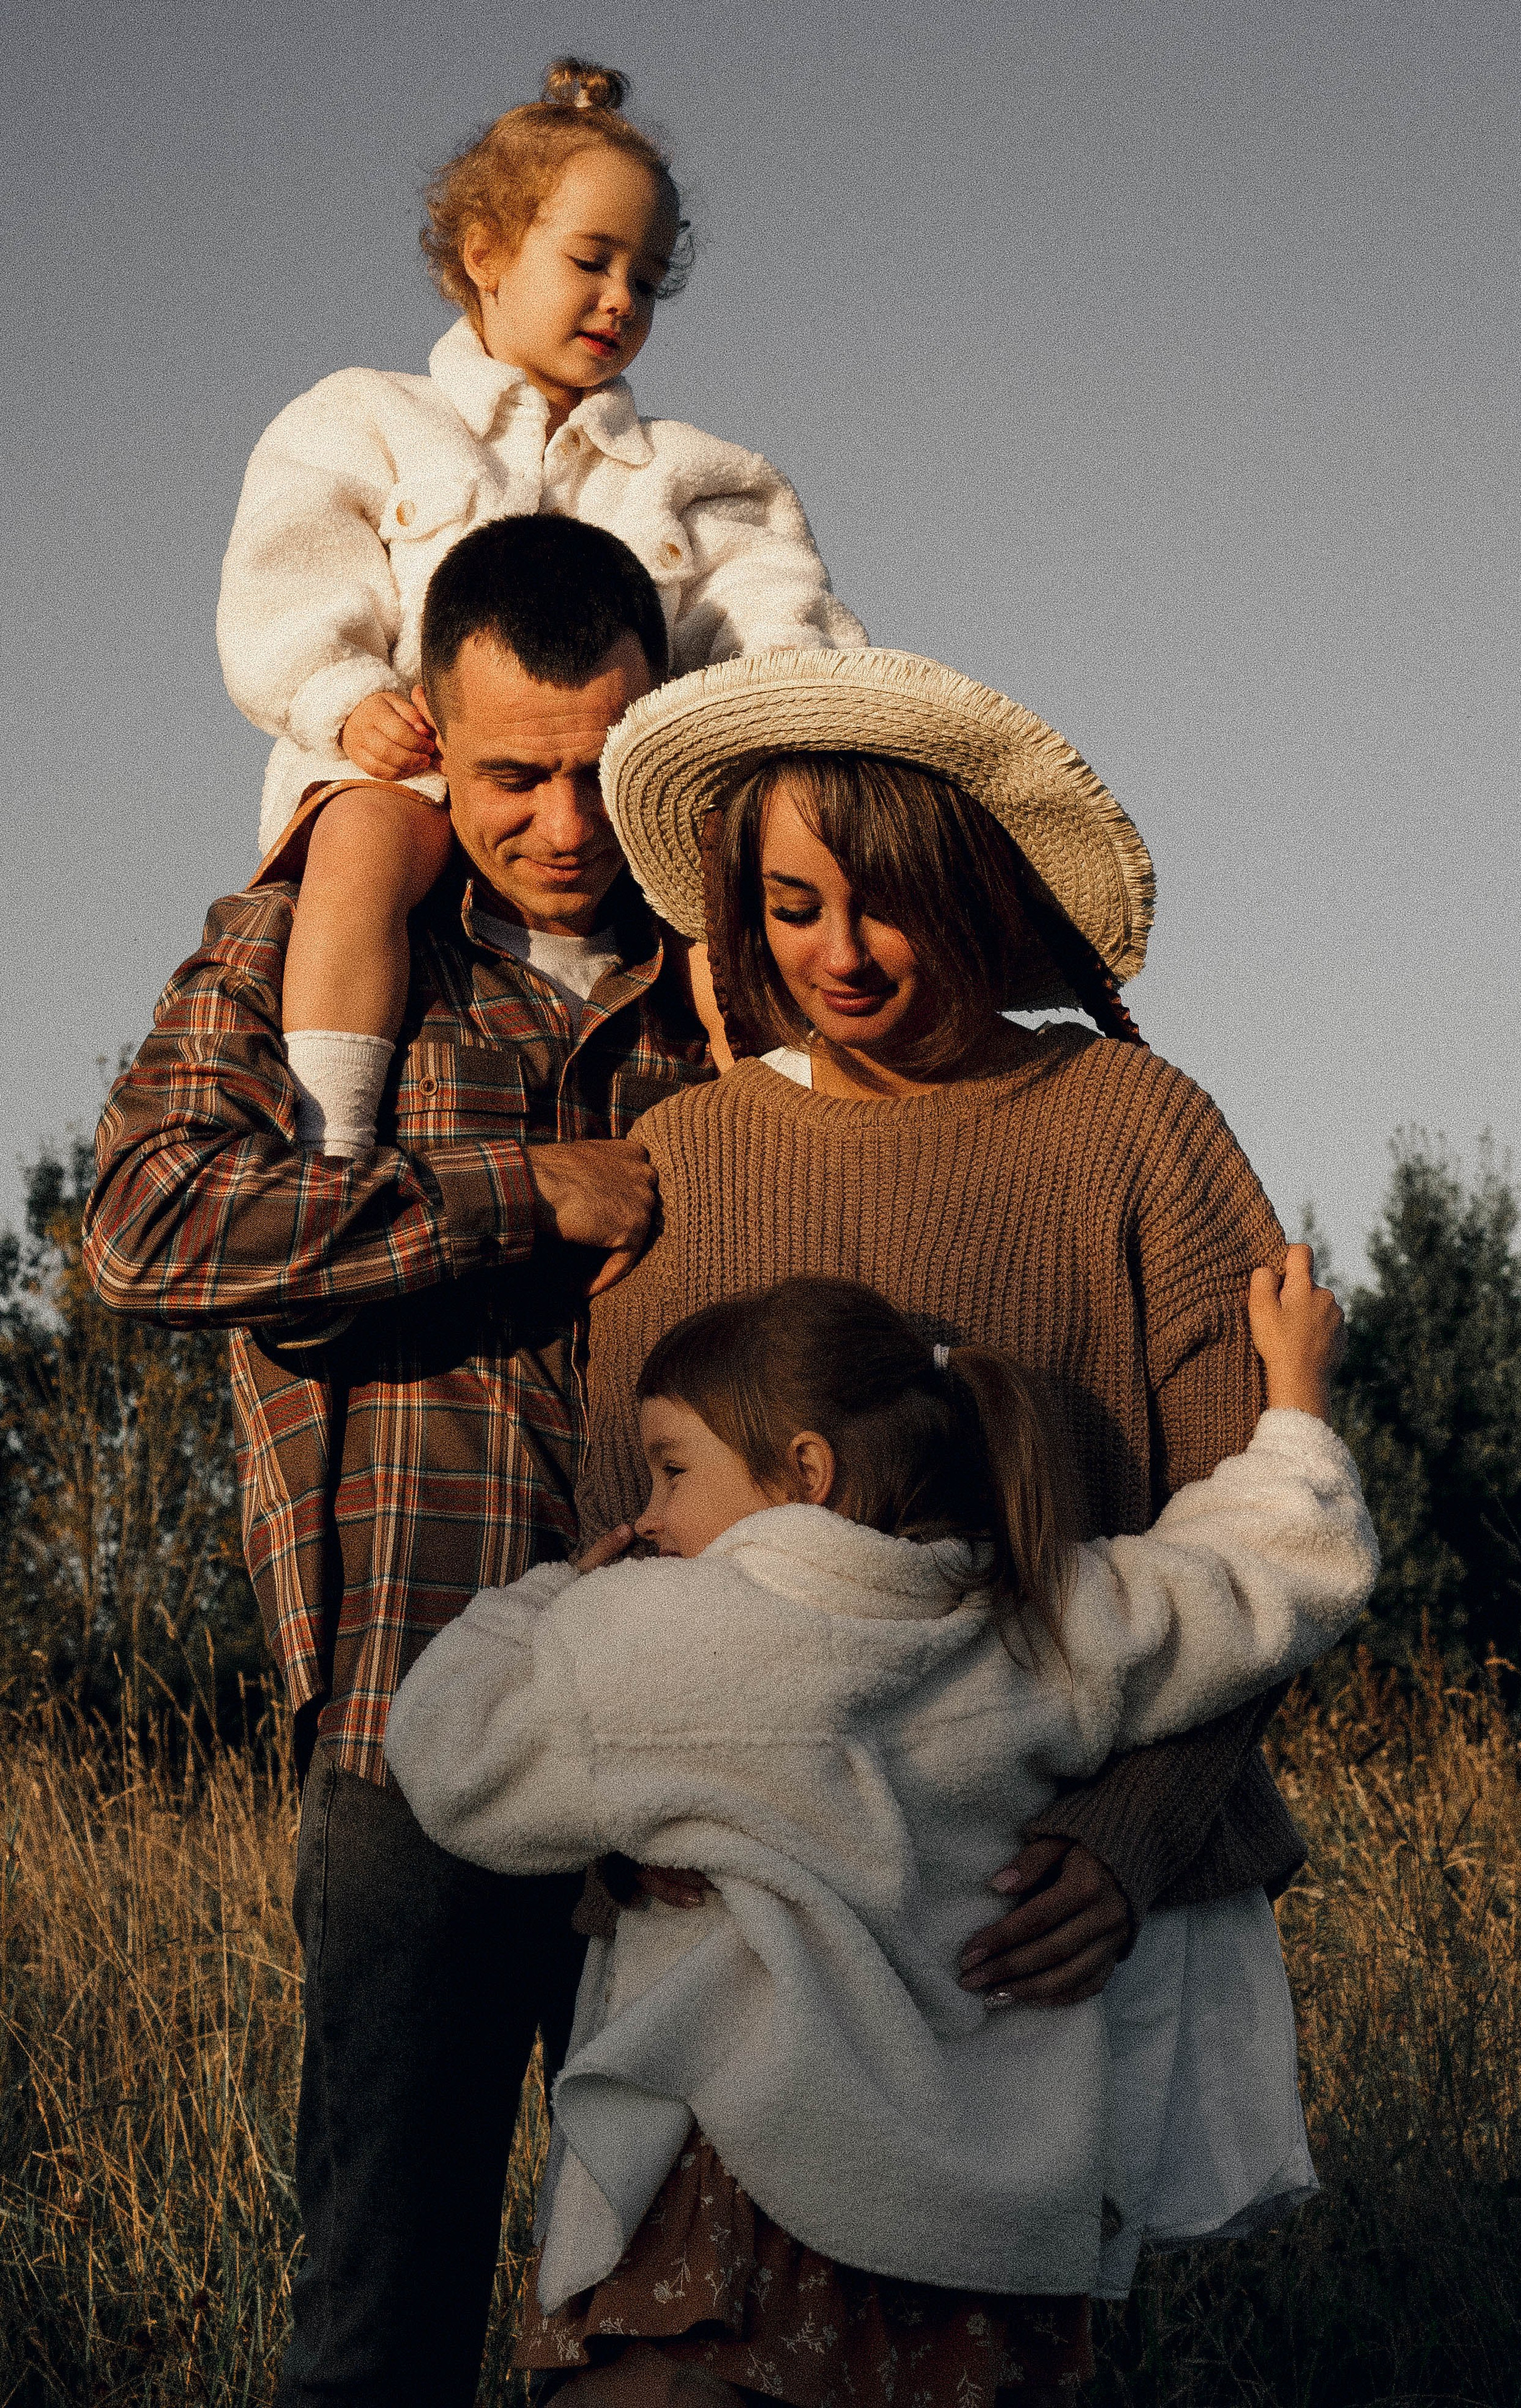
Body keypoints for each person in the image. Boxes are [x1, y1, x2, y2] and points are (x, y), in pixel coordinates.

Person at [560, 645, 1327, 2355]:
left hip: (1023, 1907)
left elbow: (1260, 1543)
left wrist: (1132, 1845)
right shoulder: (696, 1157)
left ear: (973, 888)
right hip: (746, 1903)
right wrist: (638, 1820)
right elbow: (619, 1536)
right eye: (792, 904)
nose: (838, 953)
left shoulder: (1136, 1127)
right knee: (669, 2352)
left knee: (958, 2358)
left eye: (883, 902)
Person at [82, 514, 713, 2408]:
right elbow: (144, 1226)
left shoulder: (727, 987)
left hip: (705, 1754)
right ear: (425, 734)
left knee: (698, 2319)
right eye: (512, 772)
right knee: (381, 2323)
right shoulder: (316, 947)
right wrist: (521, 1193)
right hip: (412, 1731)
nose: (566, 822)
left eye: (607, 768)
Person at [384, 1261, 1374, 2408]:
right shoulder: (1043, 1619)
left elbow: (447, 1755)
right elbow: (1255, 1578)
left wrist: (550, 1593)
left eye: (670, 1469)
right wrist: (1297, 1393)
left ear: (805, 1471)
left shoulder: (663, 1630)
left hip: (739, 2179)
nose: (647, 1515)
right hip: (967, 2225)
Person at [216, 56, 864, 1163]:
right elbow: (287, 580)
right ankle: (334, 1131)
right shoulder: (368, 420)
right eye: (592, 261)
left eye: (650, 279)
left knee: (728, 874)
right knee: (365, 835)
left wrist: (773, 710)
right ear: (487, 256)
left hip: (617, 805)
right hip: (414, 764)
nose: (622, 298)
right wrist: (340, 696)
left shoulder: (690, 475)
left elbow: (765, 609)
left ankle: (786, 1131)